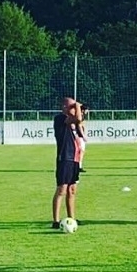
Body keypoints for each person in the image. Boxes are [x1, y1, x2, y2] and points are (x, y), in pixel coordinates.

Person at [52, 97, 84, 229]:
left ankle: (72, 217)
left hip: (74, 158)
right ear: (65, 107)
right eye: (71, 106)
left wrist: (80, 110)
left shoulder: (73, 122)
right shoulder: (60, 118)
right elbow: (77, 119)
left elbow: (80, 124)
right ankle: (55, 220)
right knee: (62, 189)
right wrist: (77, 106)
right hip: (65, 157)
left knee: (72, 190)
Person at [76, 104, 89, 173]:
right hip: (79, 136)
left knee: (80, 151)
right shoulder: (80, 116)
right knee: (81, 151)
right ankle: (78, 166)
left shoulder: (81, 116)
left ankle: (78, 166)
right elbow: (79, 126)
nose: (88, 111)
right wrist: (83, 135)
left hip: (79, 135)